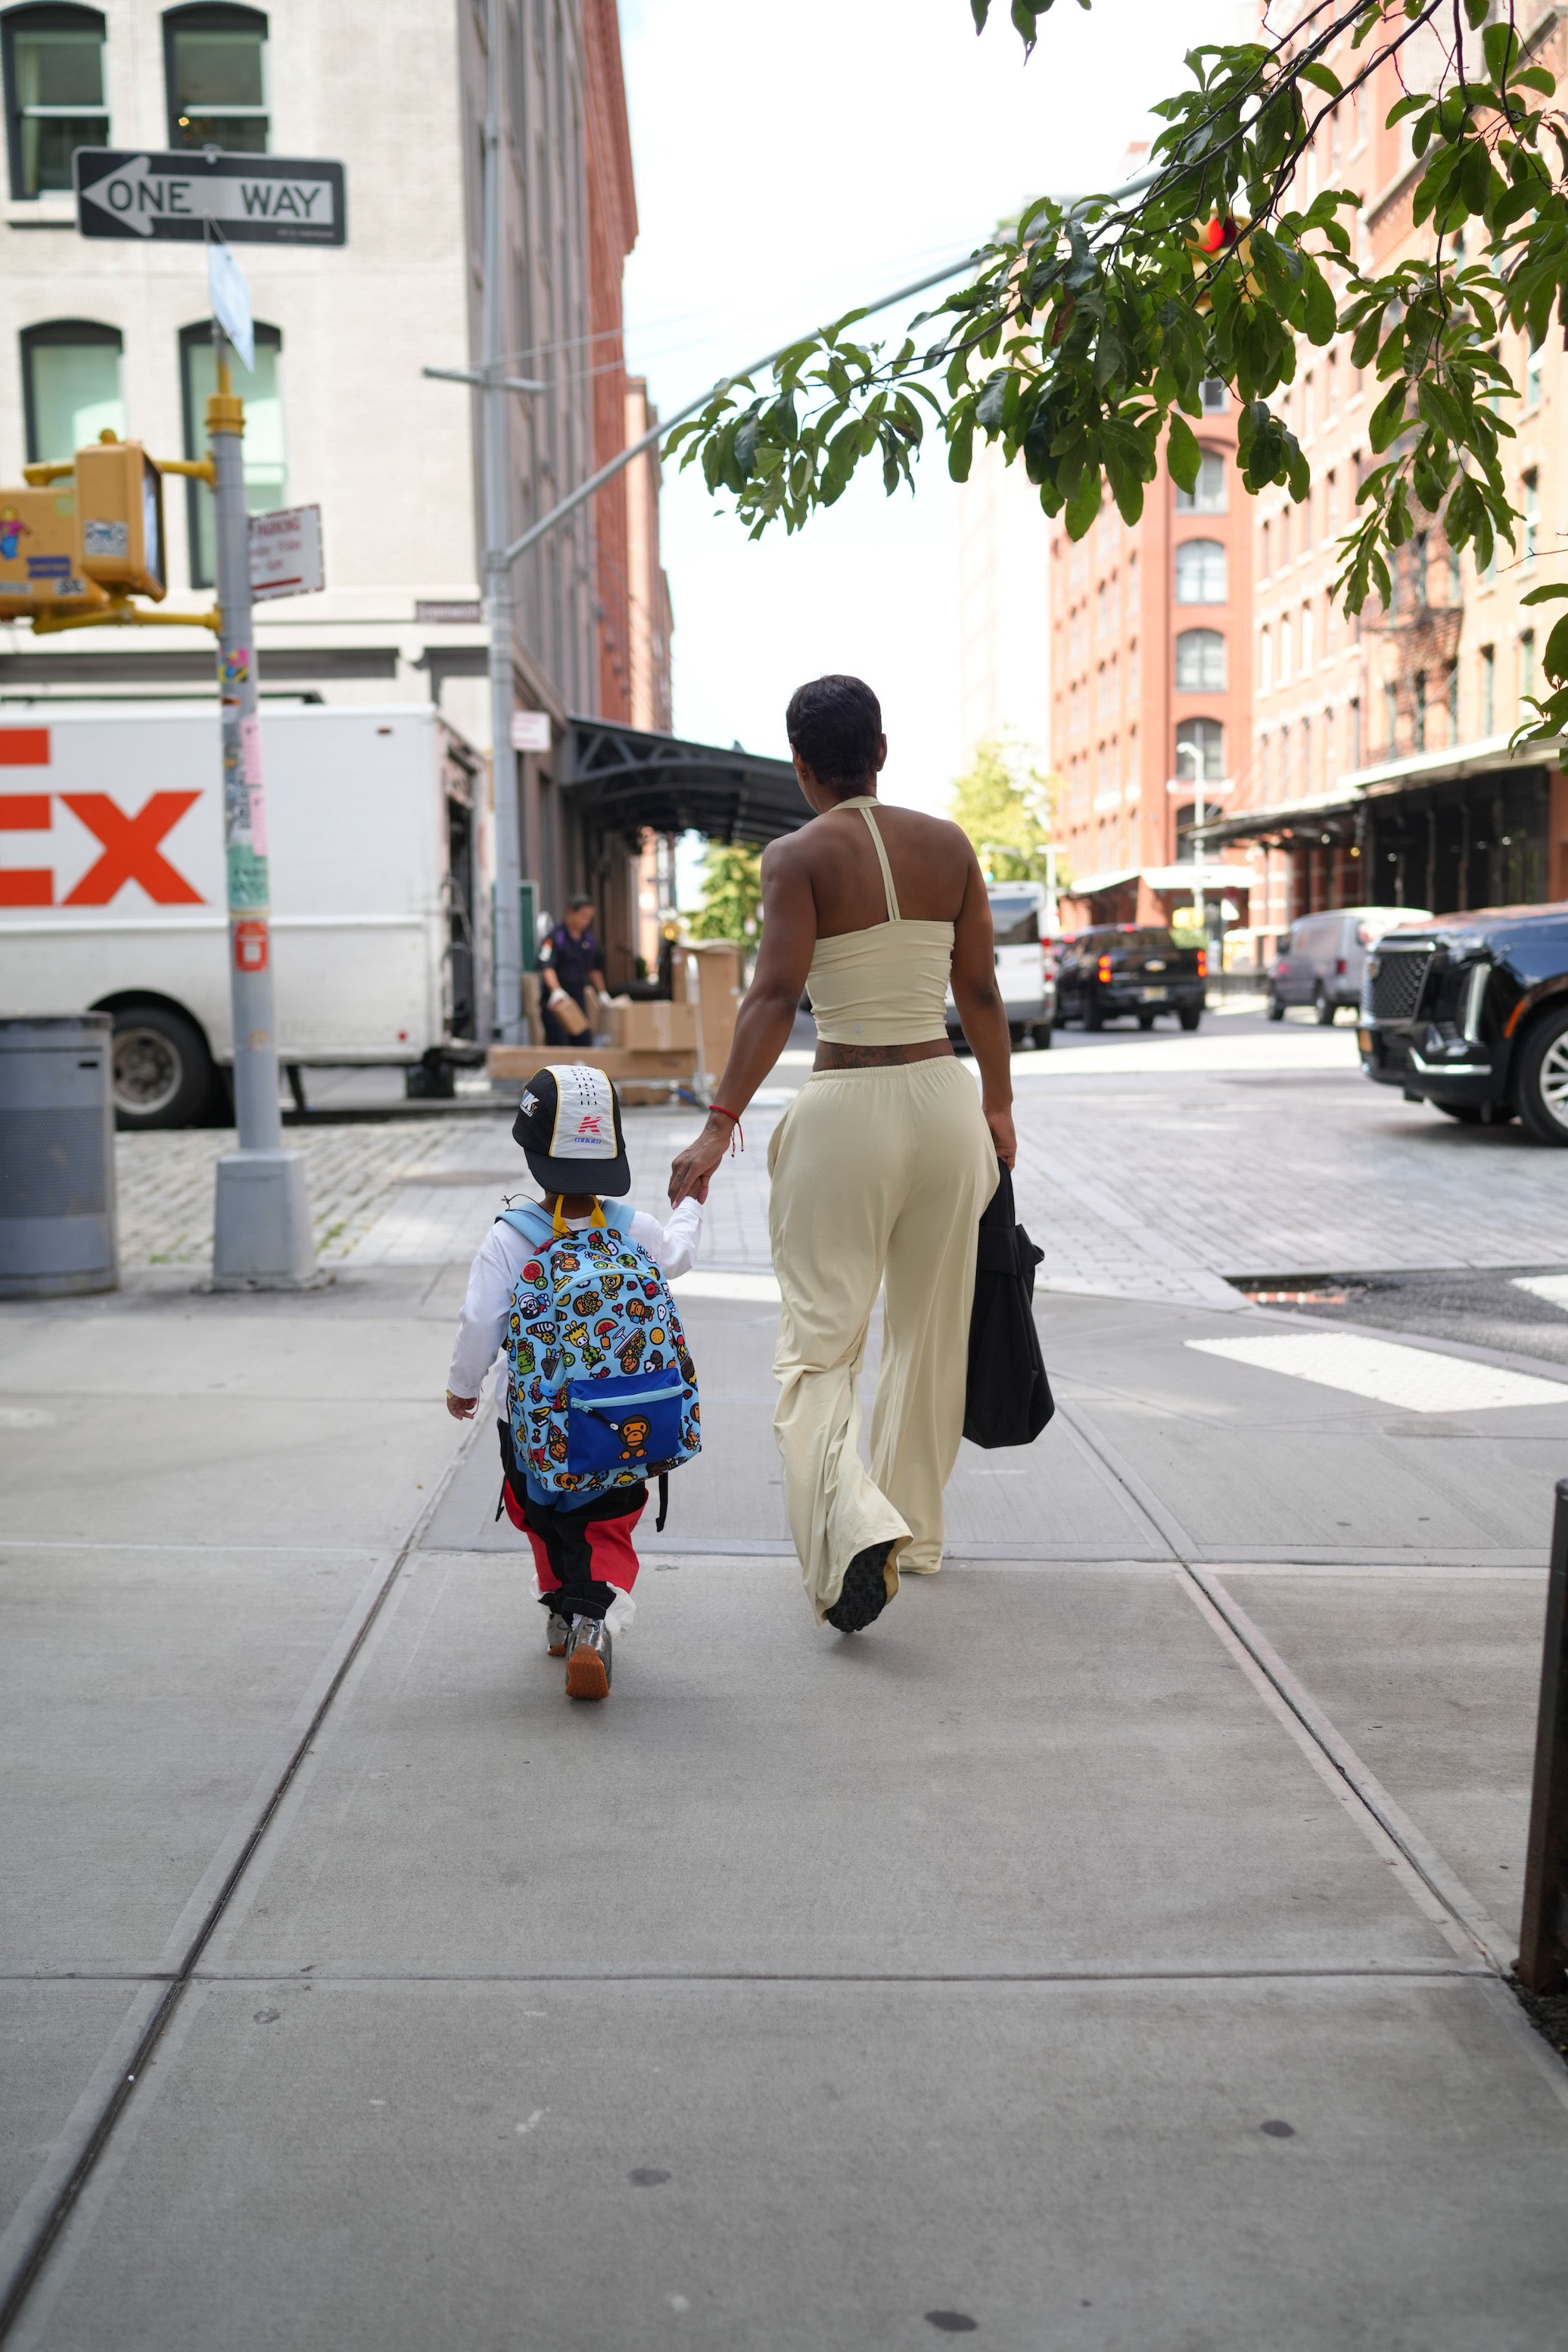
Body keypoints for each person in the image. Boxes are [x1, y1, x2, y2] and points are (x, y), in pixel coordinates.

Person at [668, 674, 1015, 1636]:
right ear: (882, 750)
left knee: (819, 1345)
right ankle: (911, 1533)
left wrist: (718, 1124)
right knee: (928, 1334)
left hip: (846, 1106)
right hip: (944, 1101)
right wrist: (997, 1106)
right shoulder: (949, 846)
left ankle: (851, 1526)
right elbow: (981, 991)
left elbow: (773, 997)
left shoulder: (796, 856)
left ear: (799, 766)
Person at [446, 1062, 703, 1698]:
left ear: (532, 1153)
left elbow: (480, 1321)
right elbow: (678, 1256)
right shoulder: (635, 1229)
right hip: (623, 1418)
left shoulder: (511, 1238)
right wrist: (691, 1205)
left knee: (540, 1511)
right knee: (606, 1519)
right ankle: (596, 1619)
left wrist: (464, 1385)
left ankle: (564, 1613)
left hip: (532, 1423)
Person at [540, 896, 606, 1044]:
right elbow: (546, 966)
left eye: (589, 917)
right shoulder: (555, 937)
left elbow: (594, 968)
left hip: (578, 999)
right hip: (558, 1000)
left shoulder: (588, 940)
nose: (586, 921)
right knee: (560, 1043)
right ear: (570, 912)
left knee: (583, 1040)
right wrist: (556, 990)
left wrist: (602, 993)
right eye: (583, 916)